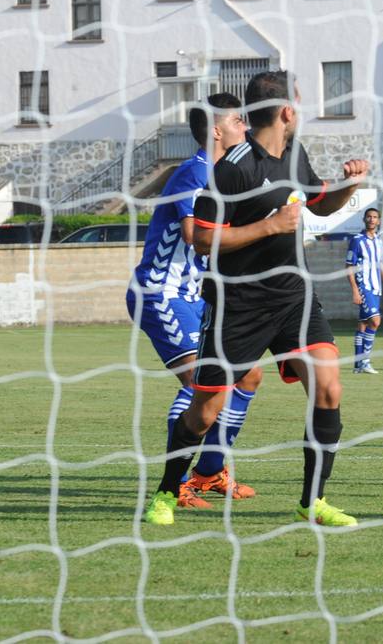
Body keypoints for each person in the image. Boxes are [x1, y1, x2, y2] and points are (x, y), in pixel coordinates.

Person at [142, 70, 369, 528]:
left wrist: (350, 186)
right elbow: (203, 239)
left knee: (329, 387)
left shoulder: (294, 153)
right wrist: (269, 226)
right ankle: (166, 493)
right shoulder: (232, 167)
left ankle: (313, 501)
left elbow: (317, 202)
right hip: (237, 307)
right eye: (299, 104)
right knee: (204, 411)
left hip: (292, 298)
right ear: (287, 111)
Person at [127, 92, 258, 509]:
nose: (246, 128)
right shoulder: (194, 172)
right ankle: (176, 483)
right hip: (161, 292)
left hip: (196, 297)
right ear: (217, 130)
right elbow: (193, 237)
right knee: (202, 385)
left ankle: (209, 472)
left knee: (249, 376)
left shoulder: (229, 174)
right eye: (239, 121)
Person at [346, 207, 383, 375]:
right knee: (375, 321)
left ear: (378, 221)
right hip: (363, 286)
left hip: (376, 288)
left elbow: (380, 264)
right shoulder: (357, 240)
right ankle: (365, 361)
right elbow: (349, 266)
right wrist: (355, 291)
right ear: (364, 219)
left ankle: (357, 365)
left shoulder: (378, 241)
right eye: (369, 217)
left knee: (364, 324)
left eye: (375, 217)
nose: (372, 219)